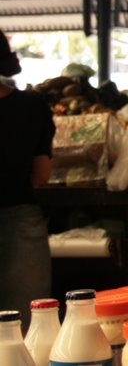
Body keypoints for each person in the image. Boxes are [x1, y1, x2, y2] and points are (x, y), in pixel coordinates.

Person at [0, 31, 56, 321]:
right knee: (23, 330)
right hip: (18, 223)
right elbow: (42, 175)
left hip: (17, 224)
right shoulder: (31, 106)